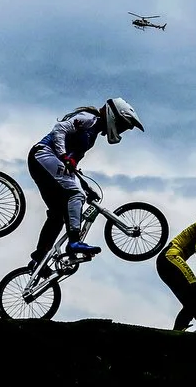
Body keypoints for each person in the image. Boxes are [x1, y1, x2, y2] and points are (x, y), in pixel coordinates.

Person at [26, 97, 145, 270]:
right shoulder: (89, 118)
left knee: (58, 214)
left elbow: (71, 169)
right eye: (122, 125)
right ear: (114, 117)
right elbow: (59, 129)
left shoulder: (93, 135)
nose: (121, 130)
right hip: (43, 154)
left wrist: (86, 187)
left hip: (45, 162)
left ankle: (39, 260)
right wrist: (63, 155)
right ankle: (74, 242)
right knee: (75, 194)